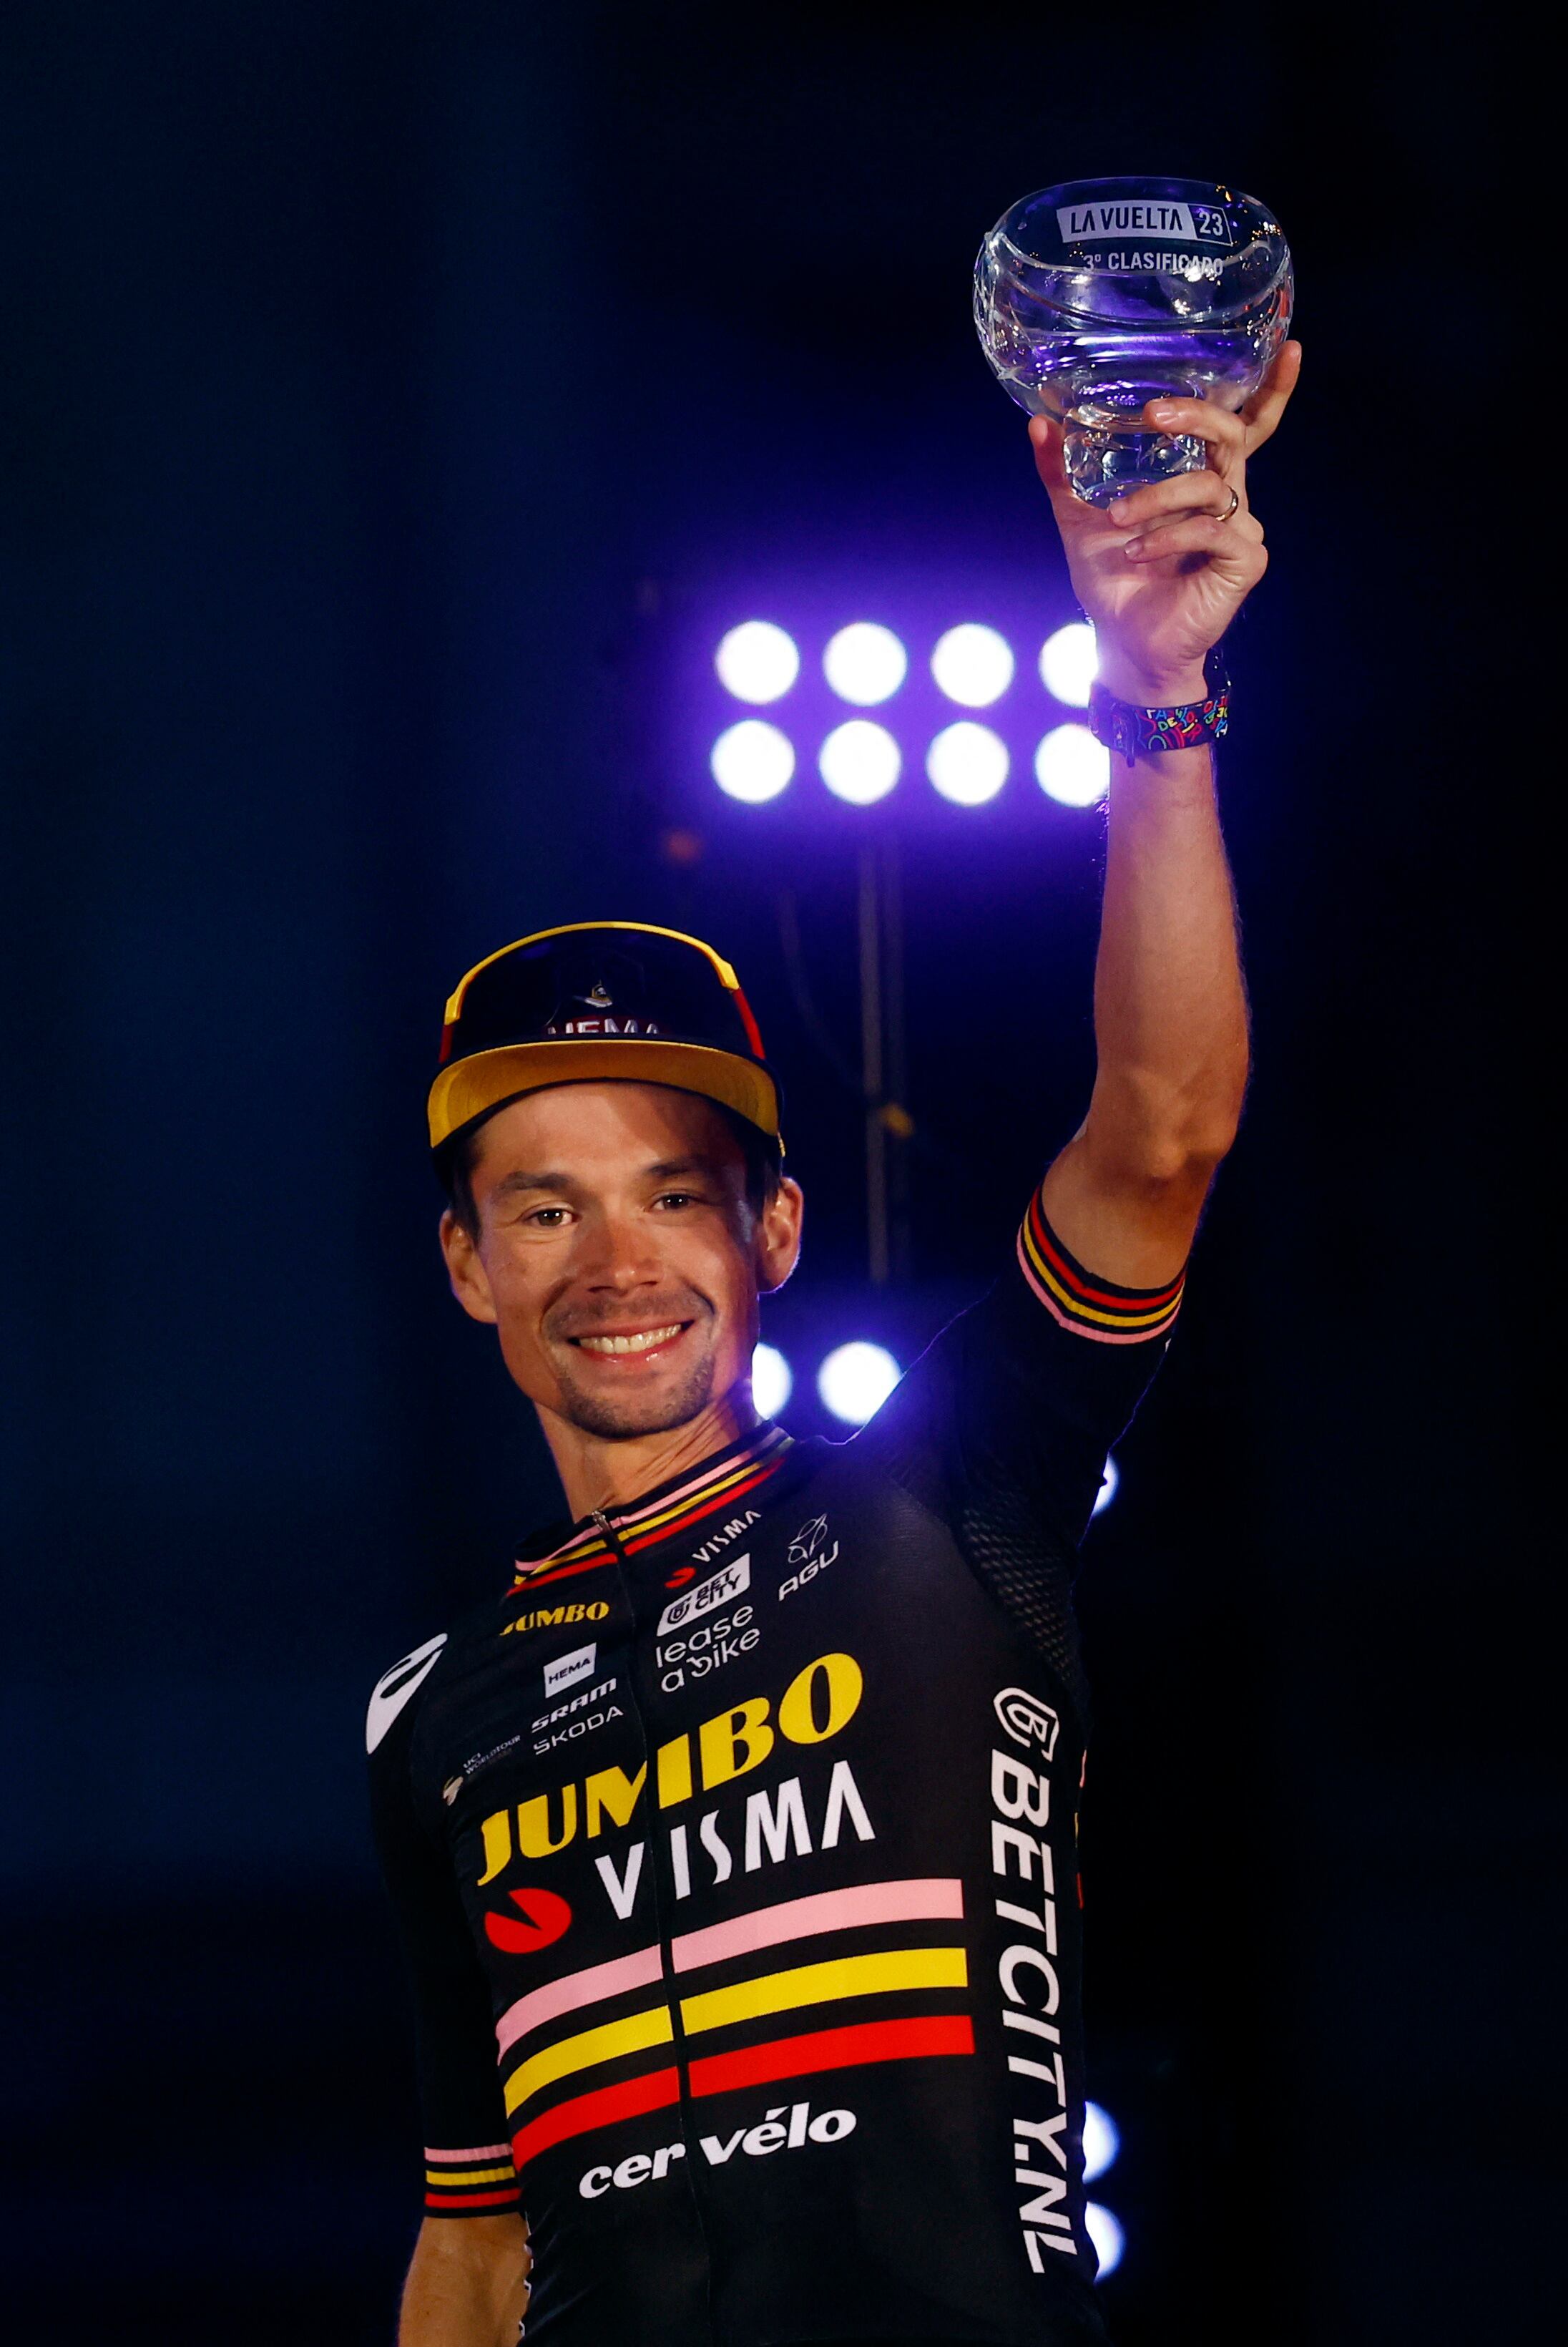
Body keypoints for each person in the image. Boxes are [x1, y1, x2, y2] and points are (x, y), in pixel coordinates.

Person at [368, 353, 1301, 2347]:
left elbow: (1165, 1129)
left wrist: (1154, 694)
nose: (618, 1259)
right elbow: (472, 2246)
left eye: (677, 1192)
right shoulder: (428, 1725)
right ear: (465, 1266)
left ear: (776, 1230)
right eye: (546, 1206)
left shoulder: (947, 1488)